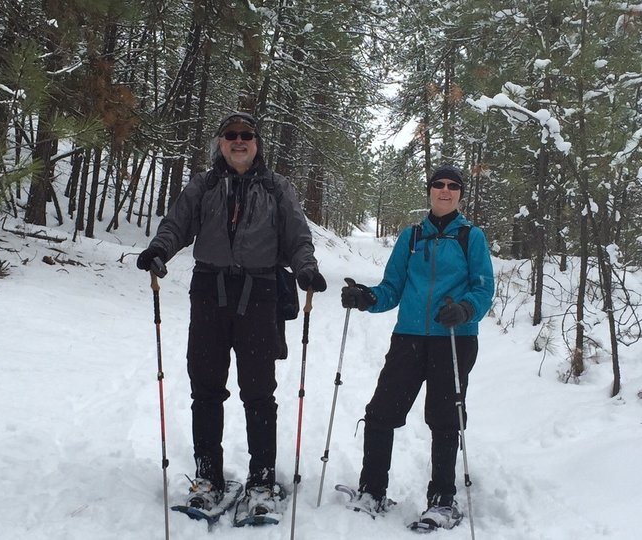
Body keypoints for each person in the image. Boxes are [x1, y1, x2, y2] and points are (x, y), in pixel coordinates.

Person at [136, 112, 326, 518]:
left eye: (247, 135)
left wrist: (306, 267)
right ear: (221, 142)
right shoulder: (202, 185)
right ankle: (208, 477)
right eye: (231, 135)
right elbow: (176, 225)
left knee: (258, 392)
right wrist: (158, 251)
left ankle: (262, 480)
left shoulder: (278, 188)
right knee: (205, 387)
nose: (239, 141)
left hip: (259, 296)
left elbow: (298, 237)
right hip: (209, 292)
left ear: (257, 143)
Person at [341, 164, 494, 530]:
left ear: (460, 193)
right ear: (429, 191)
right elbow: (391, 288)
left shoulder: (471, 237)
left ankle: (442, 501)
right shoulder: (411, 237)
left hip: (454, 340)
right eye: (439, 185)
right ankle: (372, 491)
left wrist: (465, 309)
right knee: (381, 414)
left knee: (444, 420)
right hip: (408, 338)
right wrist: (366, 298)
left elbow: (483, 288)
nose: (445, 190)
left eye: (453, 186)